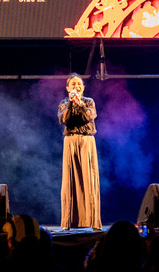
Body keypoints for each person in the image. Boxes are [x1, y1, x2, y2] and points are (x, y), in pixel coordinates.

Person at [59, 73, 102, 230]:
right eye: (73, 84)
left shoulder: (89, 102)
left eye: (79, 84)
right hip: (70, 141)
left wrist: (81, 104)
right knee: (69, 180)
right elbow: (64, 119)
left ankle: (93, 222)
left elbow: (89, 117)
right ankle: (68, 222)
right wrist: (71, 104)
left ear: (83, 87)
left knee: (89, 180)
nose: (76, 87)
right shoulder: (64, 103)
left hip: (86, 141)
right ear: (67, 88)